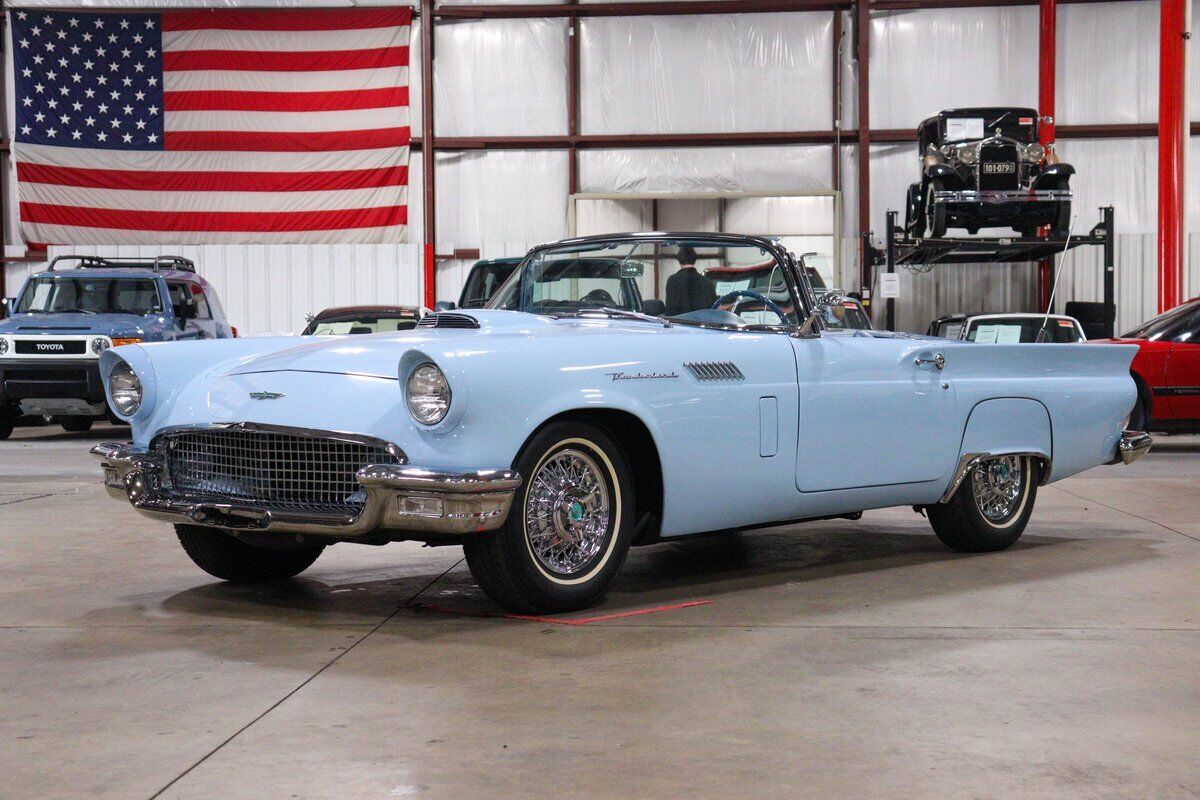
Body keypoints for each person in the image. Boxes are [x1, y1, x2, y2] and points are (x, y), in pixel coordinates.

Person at [664, 246, 716, 316]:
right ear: (694, 259)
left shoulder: (672, 281)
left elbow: (670, 311)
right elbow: (713, 311)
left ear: (679, 260)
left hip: (678, 325)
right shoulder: (708, 283)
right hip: (702, 325)